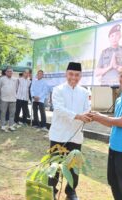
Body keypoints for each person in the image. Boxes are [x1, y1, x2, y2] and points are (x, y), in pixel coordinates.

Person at [89, 66, 122, 200]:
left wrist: (99, 116)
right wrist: (96, 117)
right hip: (114, 146)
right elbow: (111, 122)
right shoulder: (120, 98)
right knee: (113, 182)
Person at [48, 62, 91, 200]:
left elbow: (87, 109)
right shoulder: (58, 89)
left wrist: (88, 116)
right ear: (66, 74)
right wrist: (79, 116)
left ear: (80, 76)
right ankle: (51, 190)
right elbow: (59, 109)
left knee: (74, 167)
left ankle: (71, 192)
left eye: (77, 75)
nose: (74, 77)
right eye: (71, 74)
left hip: (76, 136)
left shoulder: (85, 92)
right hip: (59, 135)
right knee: (55, 165)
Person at [0, 67, 17, 132]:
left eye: (11, 71)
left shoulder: (15, 79)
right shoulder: (2, 79)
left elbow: (16, 88)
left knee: (12, 113)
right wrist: (1, 96)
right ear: (5, 72)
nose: (10, 72)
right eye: (8, 71)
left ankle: (11, 125)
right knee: (3, 113)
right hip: (4, 99)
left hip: (13, 99)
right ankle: (3, 126)